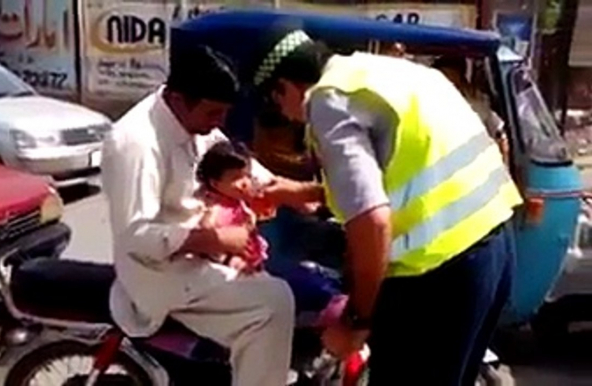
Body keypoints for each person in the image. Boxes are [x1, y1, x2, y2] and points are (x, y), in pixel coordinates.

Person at [252, 24, 523, 385]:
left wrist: (356, 321)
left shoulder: (326, 100)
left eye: (277, 102)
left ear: (284, 86)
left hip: (437, 276)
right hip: (492, 251)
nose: (286, 116)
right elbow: (399, 178)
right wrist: (300, 192)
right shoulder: (389, 72)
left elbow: (373, 220)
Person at [101, 44, 320, 386]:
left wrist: (304, 194)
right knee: (273, 304)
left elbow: (238, 168)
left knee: (300, 280)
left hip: (208, 257)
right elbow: (135, 236)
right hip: (161, 273)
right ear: (176, 99)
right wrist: (212, 239)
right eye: (213, 113)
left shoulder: (195, 124)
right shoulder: (136, 143)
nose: (219, 123)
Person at [196, 140, 271, 274]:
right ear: (215, 183)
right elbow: (207, 229)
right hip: (230, 262)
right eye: (236, 178)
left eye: (247, 176)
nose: (245, 183)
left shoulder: (239, 201)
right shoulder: (217, 208)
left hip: (251, 257)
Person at [433, 56, 510, 163]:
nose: (448, 80)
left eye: (451, 75)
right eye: (443, 75)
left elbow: (499, 133)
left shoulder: (477, 102)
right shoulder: (426, 100)